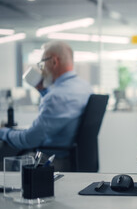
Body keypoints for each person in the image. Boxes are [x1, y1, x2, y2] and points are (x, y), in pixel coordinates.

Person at [0, 41, 92, 169]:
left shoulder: (56, 97)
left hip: (52, 161)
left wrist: (3, 132)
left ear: (54, 62)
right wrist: (44, 91)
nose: (41, 69)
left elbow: (28, 140)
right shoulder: (85, 87)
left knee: (6, 164)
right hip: (72, 157)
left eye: (42, 63)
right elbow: (60, 111)